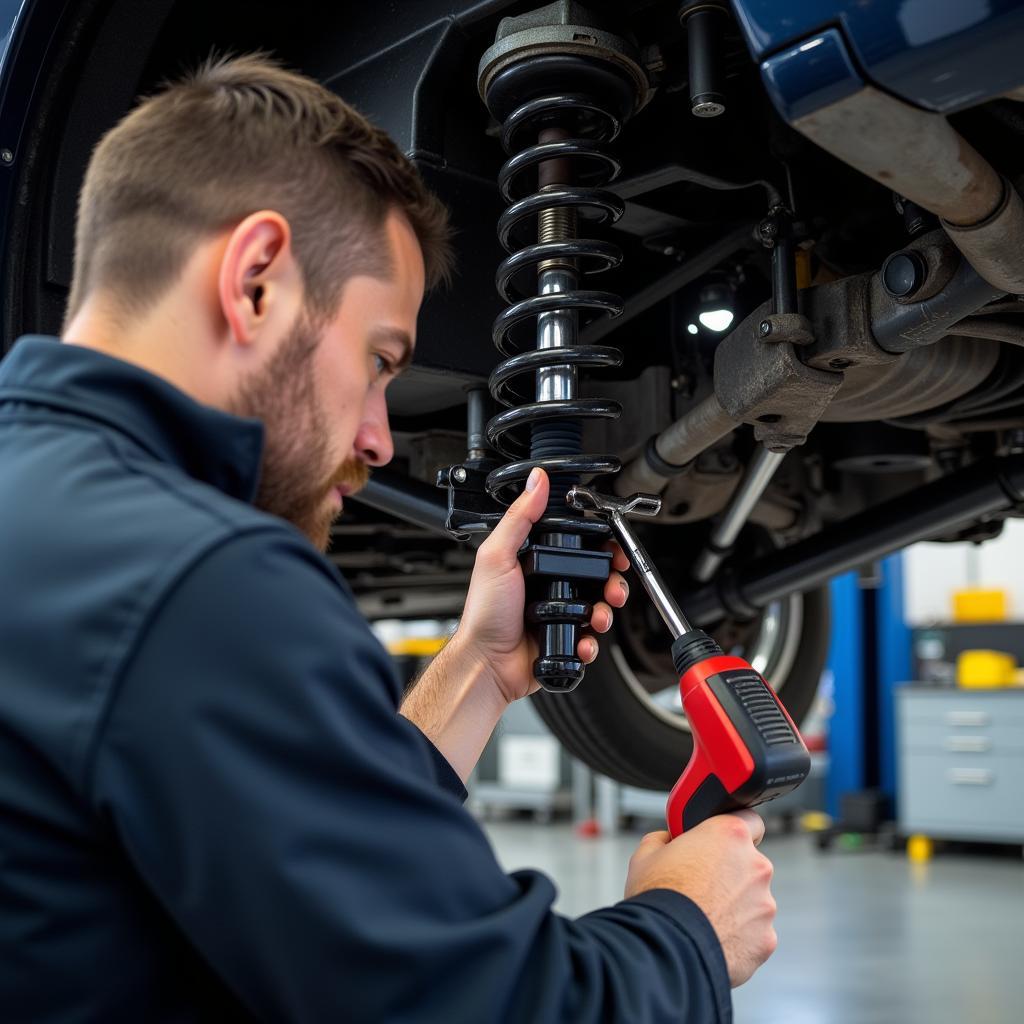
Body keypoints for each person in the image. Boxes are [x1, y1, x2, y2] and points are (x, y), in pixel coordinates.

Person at [0, 55, 776, 1022]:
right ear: (254, 282)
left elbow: (291, 829)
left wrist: (482, 671)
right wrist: (690, 925)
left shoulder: (48, 513)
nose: (378, 434)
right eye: (377, 361)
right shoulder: (198, 578)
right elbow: (494, 1006)